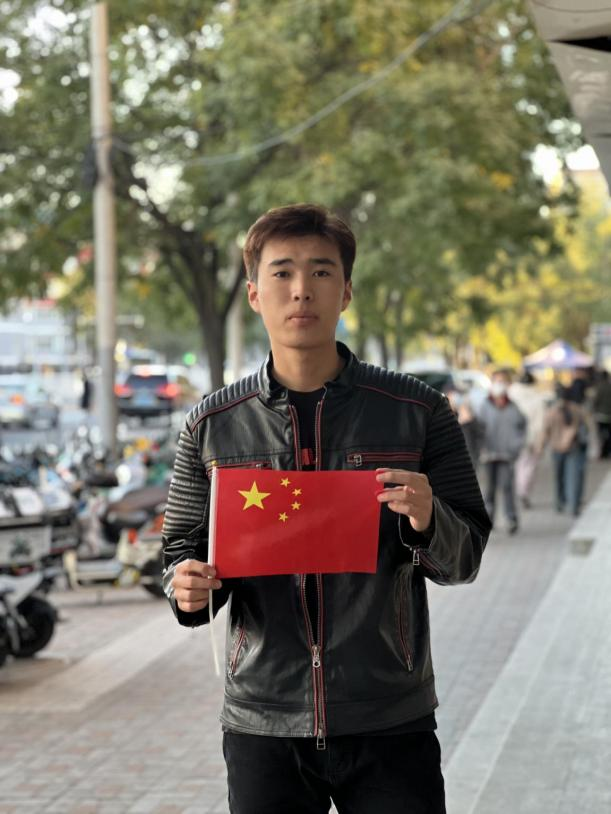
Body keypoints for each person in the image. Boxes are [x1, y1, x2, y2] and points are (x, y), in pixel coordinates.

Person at [161, 203, 491, 814]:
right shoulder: (211, 425)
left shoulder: (417, 412)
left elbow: (465, 556)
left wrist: (428, 519)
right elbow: (180, 552)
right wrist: (185, 587)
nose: (301, 290)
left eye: (320, 271)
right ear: (254, 293)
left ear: (346, 291)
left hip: (389, 715)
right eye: (282, 272)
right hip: (263, 721)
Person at [478, 369, 526, 534]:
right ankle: (488, 519)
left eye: (503, 381)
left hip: (507, 455)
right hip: (488, 455)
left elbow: (522, 427)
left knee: (507, 487)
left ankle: (511, 519)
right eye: (497, 381)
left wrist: (516, 446)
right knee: (489, 489)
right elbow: (477, 429)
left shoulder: (513, 407)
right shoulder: (484, 406)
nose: (500, 385)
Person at [539, 386, 589, 515]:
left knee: (569, 477)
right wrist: (540, 447)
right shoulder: (570, 410)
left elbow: (545, 432)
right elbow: (545, 431)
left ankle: (569, 503)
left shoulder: (571, 410)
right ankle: (565, 502)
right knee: (564, 477)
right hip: (562, 448)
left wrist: (541, 447)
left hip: (569, 448)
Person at [509, 370, 549, 509]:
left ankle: (518, 490)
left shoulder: (510, 395)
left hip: (512, 437)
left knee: (517, 465)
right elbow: (541, 423)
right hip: (531, 438)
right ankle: (523, 491)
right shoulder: (538, 399)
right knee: (529, 466)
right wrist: (540, 442)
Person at [592, 369, 611, 459]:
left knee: (601, 435)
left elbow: (595, 401)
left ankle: (603, 452)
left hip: (601, 415)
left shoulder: (599, 387)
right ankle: (607, 451)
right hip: (609, 414)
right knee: (608, 434)